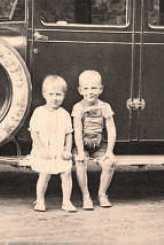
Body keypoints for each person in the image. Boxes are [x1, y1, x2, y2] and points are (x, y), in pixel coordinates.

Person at [28, 75, 76, 212]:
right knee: (44, 174)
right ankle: (40, 200)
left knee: (66, 173)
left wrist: (67, 149)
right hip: (44, 150)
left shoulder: (64, 114)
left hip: (59, 150)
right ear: (44, 94)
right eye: (51, 94)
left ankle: (66, 201)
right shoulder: (39, 112)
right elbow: (34, 133)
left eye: (58, 95)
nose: (55, 98)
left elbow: (68, 133)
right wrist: (42, 149)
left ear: (64, 96)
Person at [72, 69, 117, 210]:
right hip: (82, 145)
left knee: (109, 164)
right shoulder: (78, 108)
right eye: (86, 88)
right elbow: (77, 131)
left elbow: (111, 129)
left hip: (99, 145)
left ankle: (102, 194)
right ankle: (86, 196)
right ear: (80, 90)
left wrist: (109, 151)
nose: (90, 92)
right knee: (80, 163)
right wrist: (80, 152)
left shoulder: (105, 107)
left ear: (100, 89)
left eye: (94, 88)